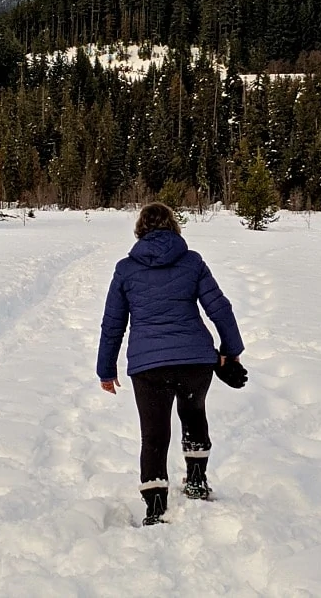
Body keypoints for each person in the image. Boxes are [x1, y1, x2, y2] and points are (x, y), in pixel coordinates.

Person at [96, 202, 245, 526]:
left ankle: (156, 507)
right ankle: (196, 481)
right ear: (174, 226)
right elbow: (220, 309)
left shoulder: (126, 269)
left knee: (153, 434)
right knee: (194, 414)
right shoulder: (191, 263)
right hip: (195, 361)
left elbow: (113, 324)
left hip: (148, 367)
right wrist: (231, 351)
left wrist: (106, 370)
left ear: (140, 230)